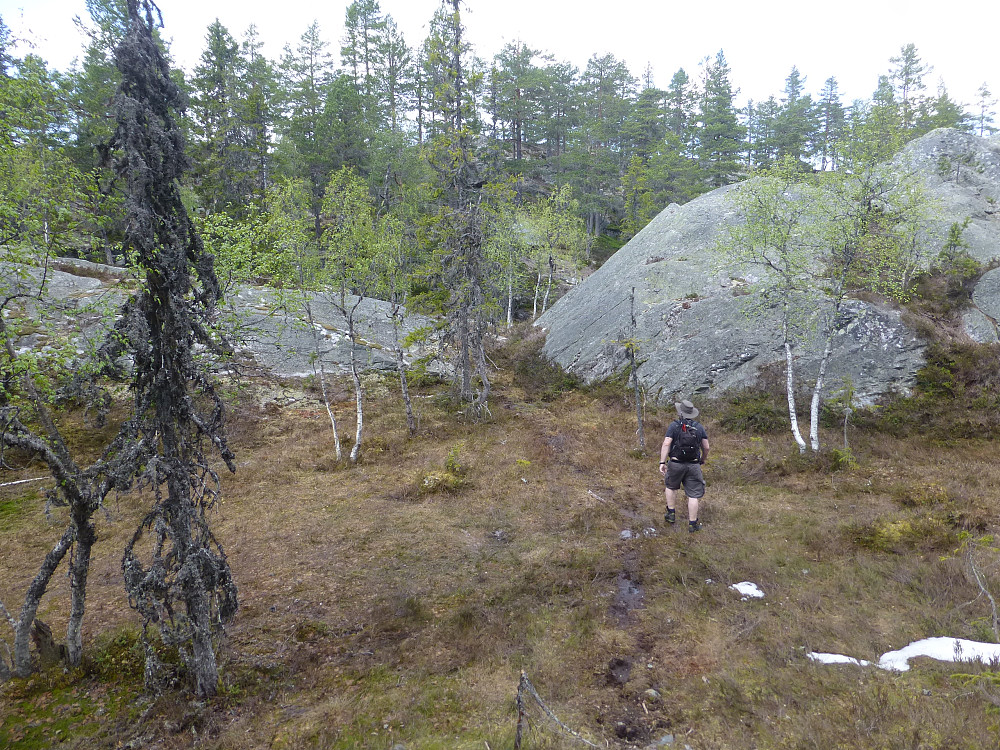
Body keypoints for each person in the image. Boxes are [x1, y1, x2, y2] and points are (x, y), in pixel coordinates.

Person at [659, 399, 710, 532]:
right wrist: (702, 460)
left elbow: (666, 443)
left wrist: (662, 462)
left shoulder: (674, 426)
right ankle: (693, 524)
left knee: (671, 486)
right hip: (693, 465)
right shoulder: (699, 427)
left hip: (675, 463)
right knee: (693, 495)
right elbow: (706, 447)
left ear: (680, 413)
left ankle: (671, 514)